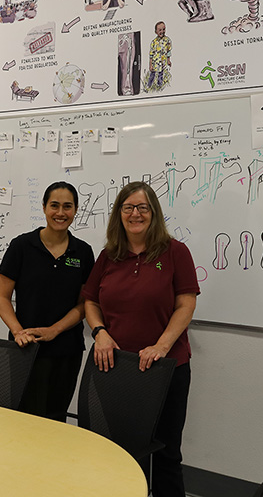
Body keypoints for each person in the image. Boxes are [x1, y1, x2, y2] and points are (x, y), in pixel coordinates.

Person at [83, 181, 199, 497]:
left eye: (143, 207)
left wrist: (162, 346)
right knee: (117, 452)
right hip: (116, 369)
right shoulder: (109, 256)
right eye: (128, 207)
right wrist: (100, 333)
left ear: (153, 213)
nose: (136, 214)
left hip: (166, 370)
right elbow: (90, 301)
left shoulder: (175, 252)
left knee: (166, 456)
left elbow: (186, 302)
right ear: (119, 214)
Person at [0, 181, 94, 421]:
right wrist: (18, 331)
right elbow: (2, 297)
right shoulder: (22, 246)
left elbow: (83, 305)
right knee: (25, 419)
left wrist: (54, 330)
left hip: (67, 350)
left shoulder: (83, 252)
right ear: (44, 207)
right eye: (54, 205)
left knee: (56, 419)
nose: (60, 213)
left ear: (76, 210)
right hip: (25, 348)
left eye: (67, 206)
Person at [144, 21, 171, 93]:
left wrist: (168, 60)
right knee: (152, 75)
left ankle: (159, 86)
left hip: (162, 62)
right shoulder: (154, 42)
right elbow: (151, 55)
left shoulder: (167, 40)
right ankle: (148, 86)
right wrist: (150, 65)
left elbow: (168, 51)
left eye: (164, 29)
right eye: (160, 30)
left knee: (160, 75)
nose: (162, 31)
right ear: (156, 31)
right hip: (155, 62)